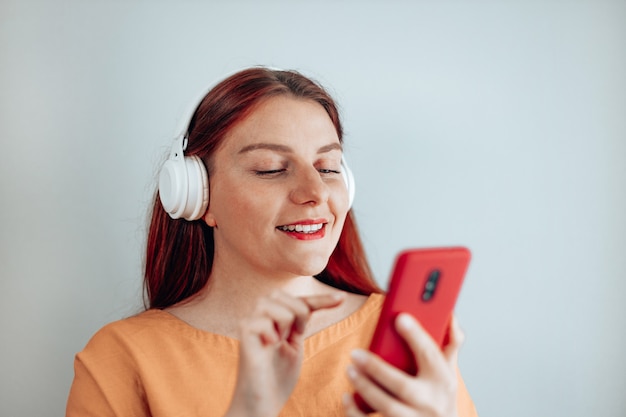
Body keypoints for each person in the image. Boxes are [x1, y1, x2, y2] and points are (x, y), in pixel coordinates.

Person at [66, 67, 478, 417]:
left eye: (328, 167)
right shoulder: (123, 357)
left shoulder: (406, 339)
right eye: (270, 169)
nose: (314, 191)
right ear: (197, 196)